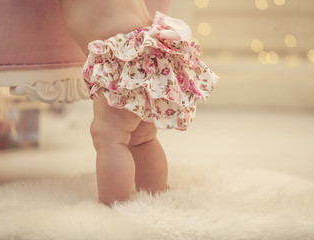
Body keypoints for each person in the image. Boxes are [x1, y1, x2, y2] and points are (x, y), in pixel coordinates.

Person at [59, 0, 218, 206]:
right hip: (148, 47)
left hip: (124, 54)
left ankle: (113, 205)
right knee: (142, 137)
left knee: (109, 137)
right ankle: (155, 195)